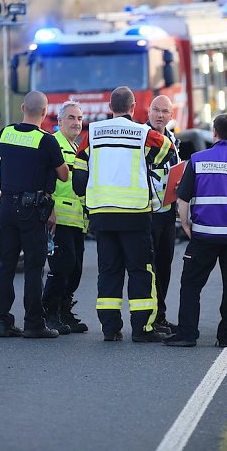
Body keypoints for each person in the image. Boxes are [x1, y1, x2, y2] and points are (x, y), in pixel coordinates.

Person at [72, 86, 175, 343]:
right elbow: (168, 152)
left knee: (109, 270)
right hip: (135, 214)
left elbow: (78, 175)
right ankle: (142, 329)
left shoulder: (91, 133)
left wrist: (88, 204)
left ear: (110, 107)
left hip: (102, 215)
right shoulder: (144, 133)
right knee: (141, 271)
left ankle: (110, 328)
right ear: (133, 108)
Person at [163, 114, 227, 348]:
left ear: (214, 133)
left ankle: (188, 334)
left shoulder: (198, 160)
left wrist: (187, 225)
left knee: (191, 285)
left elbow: (183, 200)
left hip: (204, 235)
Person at [0, 91, 68, 339]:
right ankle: (34, 324)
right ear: (45, 111)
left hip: (5, 209)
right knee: (33, 266)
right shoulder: (46, 140)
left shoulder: (6, 132)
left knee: (5, 265)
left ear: (22, 108)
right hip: (32, 211)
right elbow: (64, 175)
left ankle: (2, 322)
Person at [43, 100, 88, 335]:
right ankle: (49, 313)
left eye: (79, 118)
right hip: (59, 218)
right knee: (61, 268)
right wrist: (50, 210)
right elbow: (46, 180)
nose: (76, 122)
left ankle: (64, 311)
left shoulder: (76, 147)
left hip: (76, 219)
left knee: (75, 270)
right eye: (71, 117)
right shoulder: (54, 144)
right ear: (59, 121)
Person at [146, 95, 181, 334]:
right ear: (148, 112)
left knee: (165, 267)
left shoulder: (172, 139)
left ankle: (161, 315)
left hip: (168, 213)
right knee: (150, 269)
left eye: (165, 111)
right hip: (146, 214)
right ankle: (148, 319)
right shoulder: (141, 137)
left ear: (171, 115)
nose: (160, 115)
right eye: (156, 110)